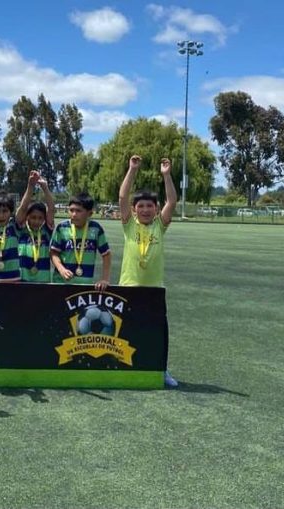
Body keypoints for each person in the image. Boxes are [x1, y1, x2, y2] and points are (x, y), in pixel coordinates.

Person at [118, 155, 178, 387]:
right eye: (140, 206)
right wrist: (132, 170)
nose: (145, 210)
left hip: (154, 290)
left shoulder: (159, 226)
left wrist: (166, 175)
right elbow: (122, 196)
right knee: (126, 330)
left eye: (149, 206)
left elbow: (172, 201)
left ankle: (161, 370)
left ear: (156, 209)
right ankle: (123, 368)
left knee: (157, 332)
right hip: (129, 287)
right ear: (134, 210)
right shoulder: (129, 225)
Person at [50, 193, 111, 290]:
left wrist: (105, 279)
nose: (74, 214)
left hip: (85, 285)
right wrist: (61, 269)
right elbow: (53, 252)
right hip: (61, 282)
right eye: (71, 210)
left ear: (89, 213)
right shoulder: (62, 227)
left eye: (78, 211)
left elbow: (106, 254)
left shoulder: (96, 229)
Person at [15, 170, 55, 282]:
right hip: (23, 280)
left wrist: (45, 188)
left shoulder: (46, 231)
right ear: (27, 216)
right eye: (33, 217)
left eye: (40, 218)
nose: (37, 221)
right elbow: (23, 208)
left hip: (43, 281)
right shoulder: (21, 230)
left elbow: (51, 209)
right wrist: (30, 186)